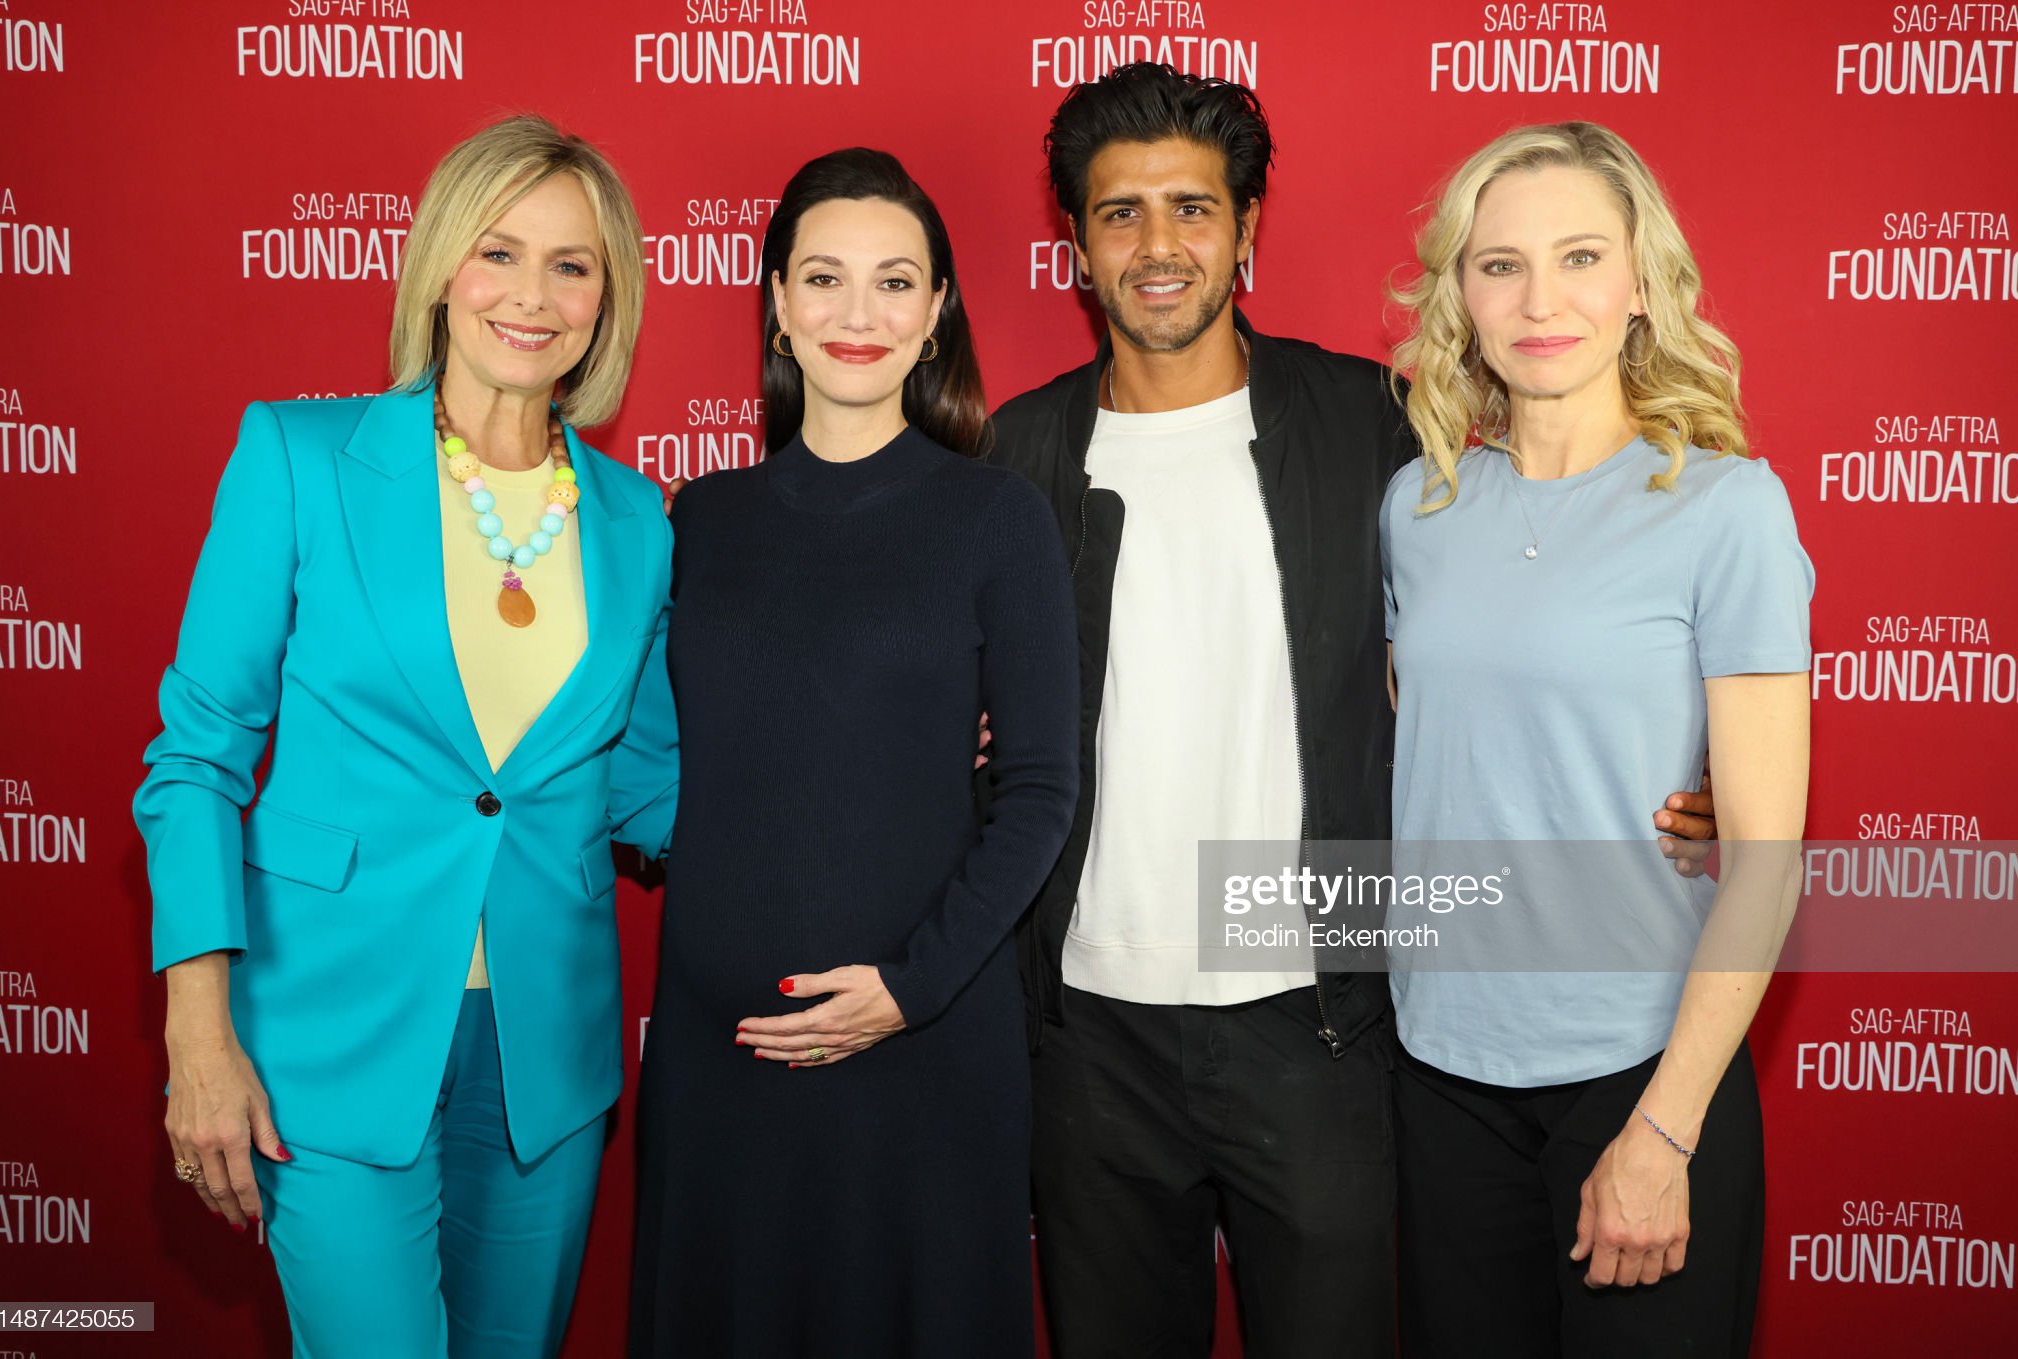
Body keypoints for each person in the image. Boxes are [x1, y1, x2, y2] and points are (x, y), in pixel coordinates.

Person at [986, 65, 1722, 1358]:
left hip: (1322, 1013)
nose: (1160, 246)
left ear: (1248, 226)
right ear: (1079, 249)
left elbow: (1538, 595)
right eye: (1120, 214)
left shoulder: (1375, 430)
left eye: (1193, 208)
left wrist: (1680, 767)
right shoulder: (1016, 455)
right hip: (1087, 1032)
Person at [136, 114, 680, 1358]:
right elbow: (198, 757)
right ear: (441, 265)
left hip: (542, 1052)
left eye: (572, 265)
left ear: (609, 299)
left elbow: (650, 783)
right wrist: (197, 1033)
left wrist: (897, 757)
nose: (531, 297)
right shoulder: (300, 457)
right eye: (499, 252)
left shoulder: (639, 521)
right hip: (329, 1028)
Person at [627, 148, 1080, 1358]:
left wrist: (906, 991)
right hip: (722, 1061)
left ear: (936, 312)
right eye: (822, 279)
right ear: (774, 300)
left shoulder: (996, 519)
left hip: (923, 1051)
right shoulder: (696, 520)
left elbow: (1038, 791)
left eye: (894, 283)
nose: (856, 314)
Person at [1380, 120, 1812, 1358]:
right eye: (1499, 263)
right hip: (1440, 1078)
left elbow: (1768, 861)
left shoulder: (1724, 508)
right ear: (1458, 291)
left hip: (1640, 1070)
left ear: (1639, 284)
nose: (1539, 299)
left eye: (1578, 256)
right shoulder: (1415, 507)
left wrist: (1664, 1131)